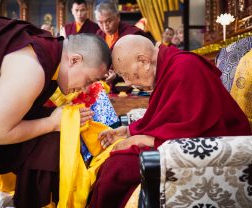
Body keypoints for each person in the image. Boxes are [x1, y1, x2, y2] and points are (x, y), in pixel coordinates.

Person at [0, 14, 111, 207]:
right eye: (89, 80)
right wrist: (52, 123)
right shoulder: (32, 69)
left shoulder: (48, 52)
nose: (86, 88)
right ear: (74, 60)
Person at [88, 35, 251, 208]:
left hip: (217, 152)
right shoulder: (169, 67)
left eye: (127, 75)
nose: (128, 82)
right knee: (114, 163)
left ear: (143, 60)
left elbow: (196, 126)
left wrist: (144, 139)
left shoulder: (186, 67)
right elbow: (169, 116)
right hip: (186, 143)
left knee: (118, 168)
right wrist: (129, 131)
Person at [94, 1, 152, 93]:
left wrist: (117, 75)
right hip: (106, 88)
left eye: (109, 21)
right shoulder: (98, 36)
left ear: (117, 17)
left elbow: (144, 63)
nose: (105, 27)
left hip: (132, 88)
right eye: (100, 22)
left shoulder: (132, 34)